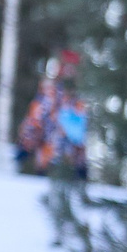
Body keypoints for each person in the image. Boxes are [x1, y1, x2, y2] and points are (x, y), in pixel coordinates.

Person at [16, 50, 88, 178]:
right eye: (66, 68)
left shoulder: (80, 97)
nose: (69, 72)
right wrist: (25, 146)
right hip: (47, 159)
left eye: (72, 69)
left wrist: (81, 164)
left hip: (69, 164)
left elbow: (80, 134)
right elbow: (35, 120)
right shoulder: (49, 93)